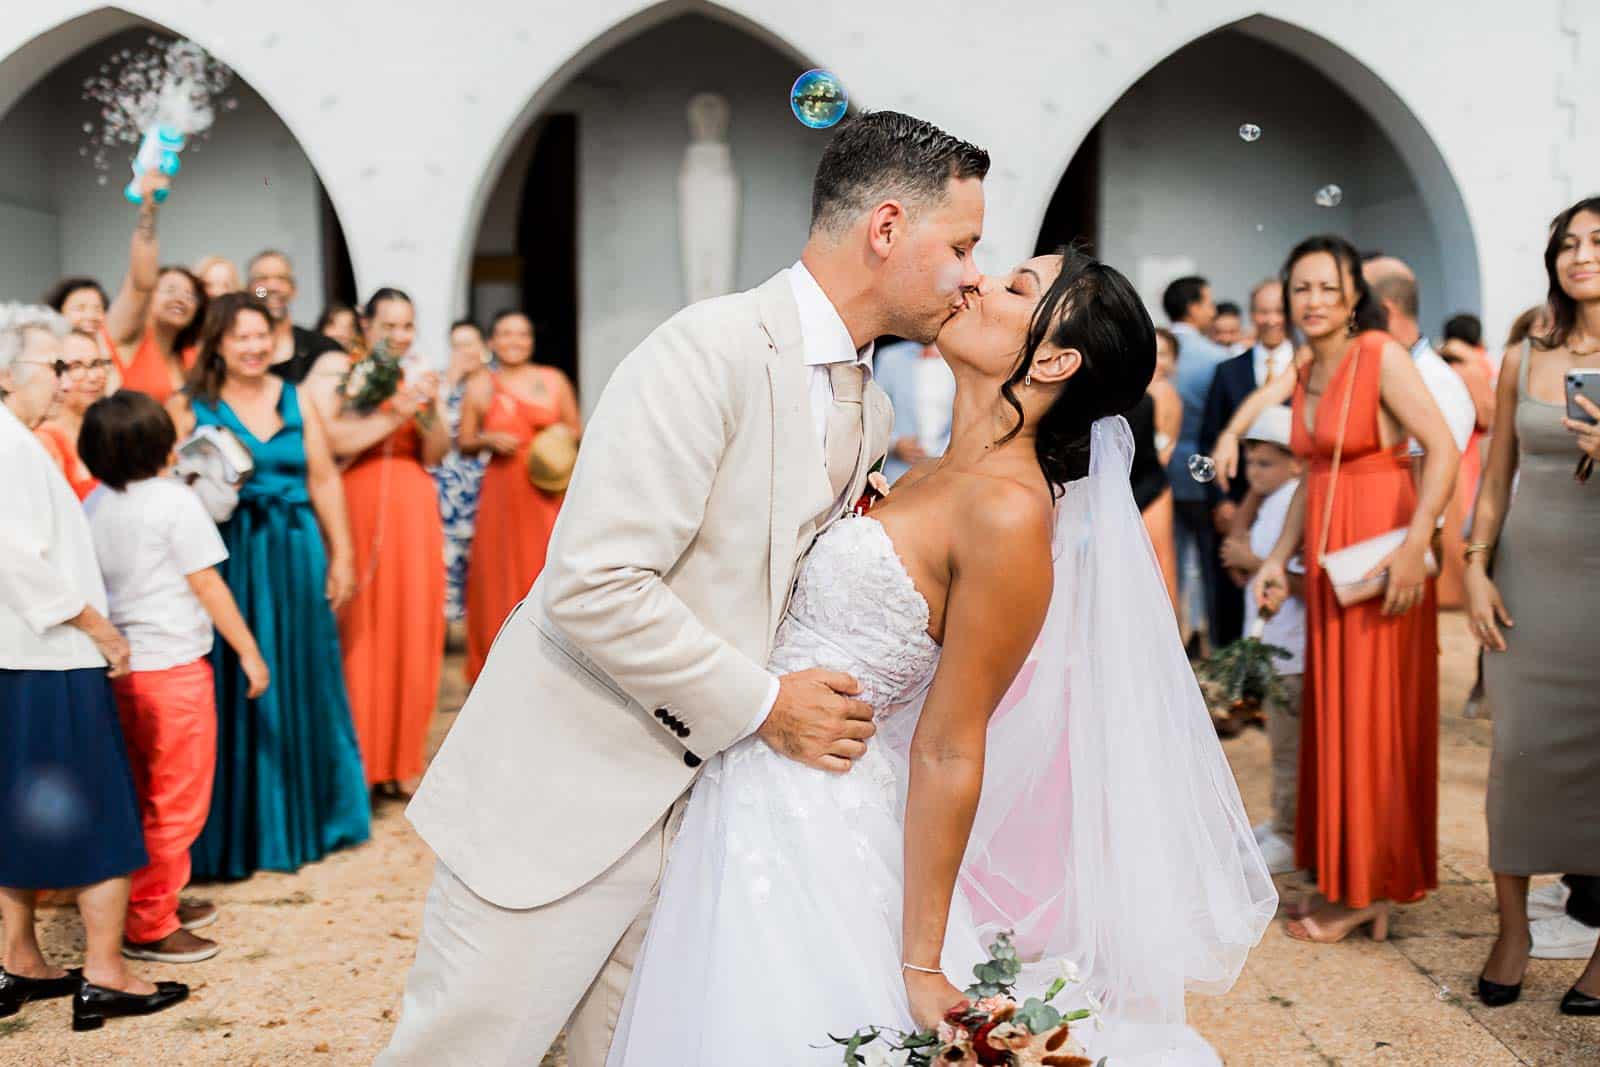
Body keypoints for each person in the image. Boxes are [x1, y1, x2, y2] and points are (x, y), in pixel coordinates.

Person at [382, 110, 991, 1067]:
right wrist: (766, 705)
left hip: (711, 830)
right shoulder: (705, 349)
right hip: (569, 793)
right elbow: (594, 583)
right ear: (885, 228)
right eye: (960, 244)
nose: (971, 273)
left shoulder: (868, 406)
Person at [609, 250, 1273, 1066]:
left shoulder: (1007, 511)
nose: (979, 280)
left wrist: (921, 961)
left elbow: (952, 741)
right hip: (748, 778)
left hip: (814, 814)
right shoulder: (928, 469)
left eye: (1017, 286)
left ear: (1057, 359)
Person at [1215, 235, 1457, 943]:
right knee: (1336, 717)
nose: (1313, 301)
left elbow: (1440, 448)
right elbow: (1311, 477)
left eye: (1328, 287)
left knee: (1372, 721)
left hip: (1377, 558)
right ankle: (1345, 875)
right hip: (1324, 564)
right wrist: (1276, 560)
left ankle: (1370, 886)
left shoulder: (1380, 356)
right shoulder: (1308, 366)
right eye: (1301, 288)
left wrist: (1416, 547)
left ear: (1355, 296)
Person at [0, 304, 188, 1029]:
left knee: (18, 806)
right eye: (52, 365)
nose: (63, 378)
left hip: (20, 654)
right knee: (104, 806)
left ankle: (19, 956)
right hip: (52, 653)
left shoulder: (19, 440)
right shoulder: (15, 449)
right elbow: (15, 559)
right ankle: (106, 971)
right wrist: (99, 627)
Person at [168, 293, 369, 880]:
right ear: (218, 344)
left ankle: (307, 819)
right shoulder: (192, 404)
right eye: (240, 338)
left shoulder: (297, 395)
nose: (254, 348)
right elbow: (167, 481)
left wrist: (344, 555)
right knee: (236, 683)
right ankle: (240, 829)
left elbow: (325, 478)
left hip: (295, 547)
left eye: (261, 337)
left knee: (303, 674)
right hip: (228, 557)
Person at [1465, 196, 1600, 1016]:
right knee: (1515, 762)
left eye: (1599, 241)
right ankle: (1512, 929)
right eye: (1569, 243)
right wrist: (1476, 570)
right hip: (1526, 589)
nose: (1581, 254)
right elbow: (1493, 483)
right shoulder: (1526, 353)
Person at [79, 391, 269, 964]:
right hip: (175, 672)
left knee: (141, 795)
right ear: (159, 443)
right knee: (178, 801)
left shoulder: (93, 504)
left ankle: (149, 896)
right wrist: (250, 654)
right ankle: (151, 921)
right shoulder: (173, 502)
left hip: (122, 672)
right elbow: (206, 583)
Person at [305, 288, 447, 795]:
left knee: (414, 623)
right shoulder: (339, 373)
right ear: (365, 326)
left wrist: (430, 409)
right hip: (359, 499)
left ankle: (405, 756)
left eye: (407, 326)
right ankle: (360, 759)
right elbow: (335, 441)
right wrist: (395, 412)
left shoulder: (417, 376)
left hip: (414, 501)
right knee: (362, 624)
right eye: (388, 325)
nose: (399, 336)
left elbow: (435, 452)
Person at [460, 311, 578, 684]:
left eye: (522, 334)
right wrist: (486, 439)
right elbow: (463, 441)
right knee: (498, 575)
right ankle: (499, 668)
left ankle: (554, 662)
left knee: (545, 568)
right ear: (492, 341)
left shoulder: (553, 379)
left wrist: (558, 434)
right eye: (505, 334)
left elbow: (577, 428)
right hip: (503, 489)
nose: (514, 341)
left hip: (547, 486)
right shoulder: (482, 384)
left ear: (532, 341)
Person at [1216, 406, 1305, 876]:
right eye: (1251, 463)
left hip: (1295, 647)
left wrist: (1254, 561)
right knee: (1279, 742)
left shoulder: (1296, 499)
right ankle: (1281, 820)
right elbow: (1238, 542)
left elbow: (1295, 572)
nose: (1255, 472)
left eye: (1266, 463)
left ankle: (1291, 834)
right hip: (1276, 646)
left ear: (1296, 463)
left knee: (1290, 747)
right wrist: (1253, 490)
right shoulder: (1272, 498)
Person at [1362, 256, 1476, 606]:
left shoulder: (1436, 380)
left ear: (1384, 309)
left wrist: (1416, 544)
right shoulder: (1389, 365)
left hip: (1407, 541)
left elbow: (1434, 474)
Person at [1199, 279, 1296, 649]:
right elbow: (1212, 439)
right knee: (1228, 596)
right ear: (1252, 315)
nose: (1271, 320)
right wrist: (1219, 500)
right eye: (1263, 311)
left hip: (1290, 501)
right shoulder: (1229, 372)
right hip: (1237, 501)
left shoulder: (1305, 370)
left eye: (1277, 311)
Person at [1162, 275, 1231, 651]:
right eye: (1207, 302)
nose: (1212, 310)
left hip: (1159, 469)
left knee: (1167, 556)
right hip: (1201, 466)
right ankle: (1206, 635)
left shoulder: (1146, 349)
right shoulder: (1216, 358)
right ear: (1192, 306)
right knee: (1207, 558)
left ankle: (1174, 632)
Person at [434, 319, 493, 626]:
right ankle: (450, 627)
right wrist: (449, 383)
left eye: (469, 343)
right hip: (447, 485)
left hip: (487, 481)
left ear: (483, 346)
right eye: (457, 344)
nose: (464, 351)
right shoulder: (440, 384)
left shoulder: (495, 381)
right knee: (448, 555)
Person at [34, 329, 112, 500]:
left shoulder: (109, 429)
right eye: (76, 366)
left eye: (97, 364)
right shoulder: (45, 440)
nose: (93, 376)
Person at [246, 250, 345, 385]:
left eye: (281, 278)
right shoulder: (237, 354)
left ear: (293, 289)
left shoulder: (323, 349)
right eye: (262, 279)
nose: (273, 287)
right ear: (249, 289)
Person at [875, 337, 956, 482]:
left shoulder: (960, 360)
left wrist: (945, 452)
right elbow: (873, 415)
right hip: (899, 474)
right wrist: (895, 444)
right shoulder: (890, 358)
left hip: (947, 474)